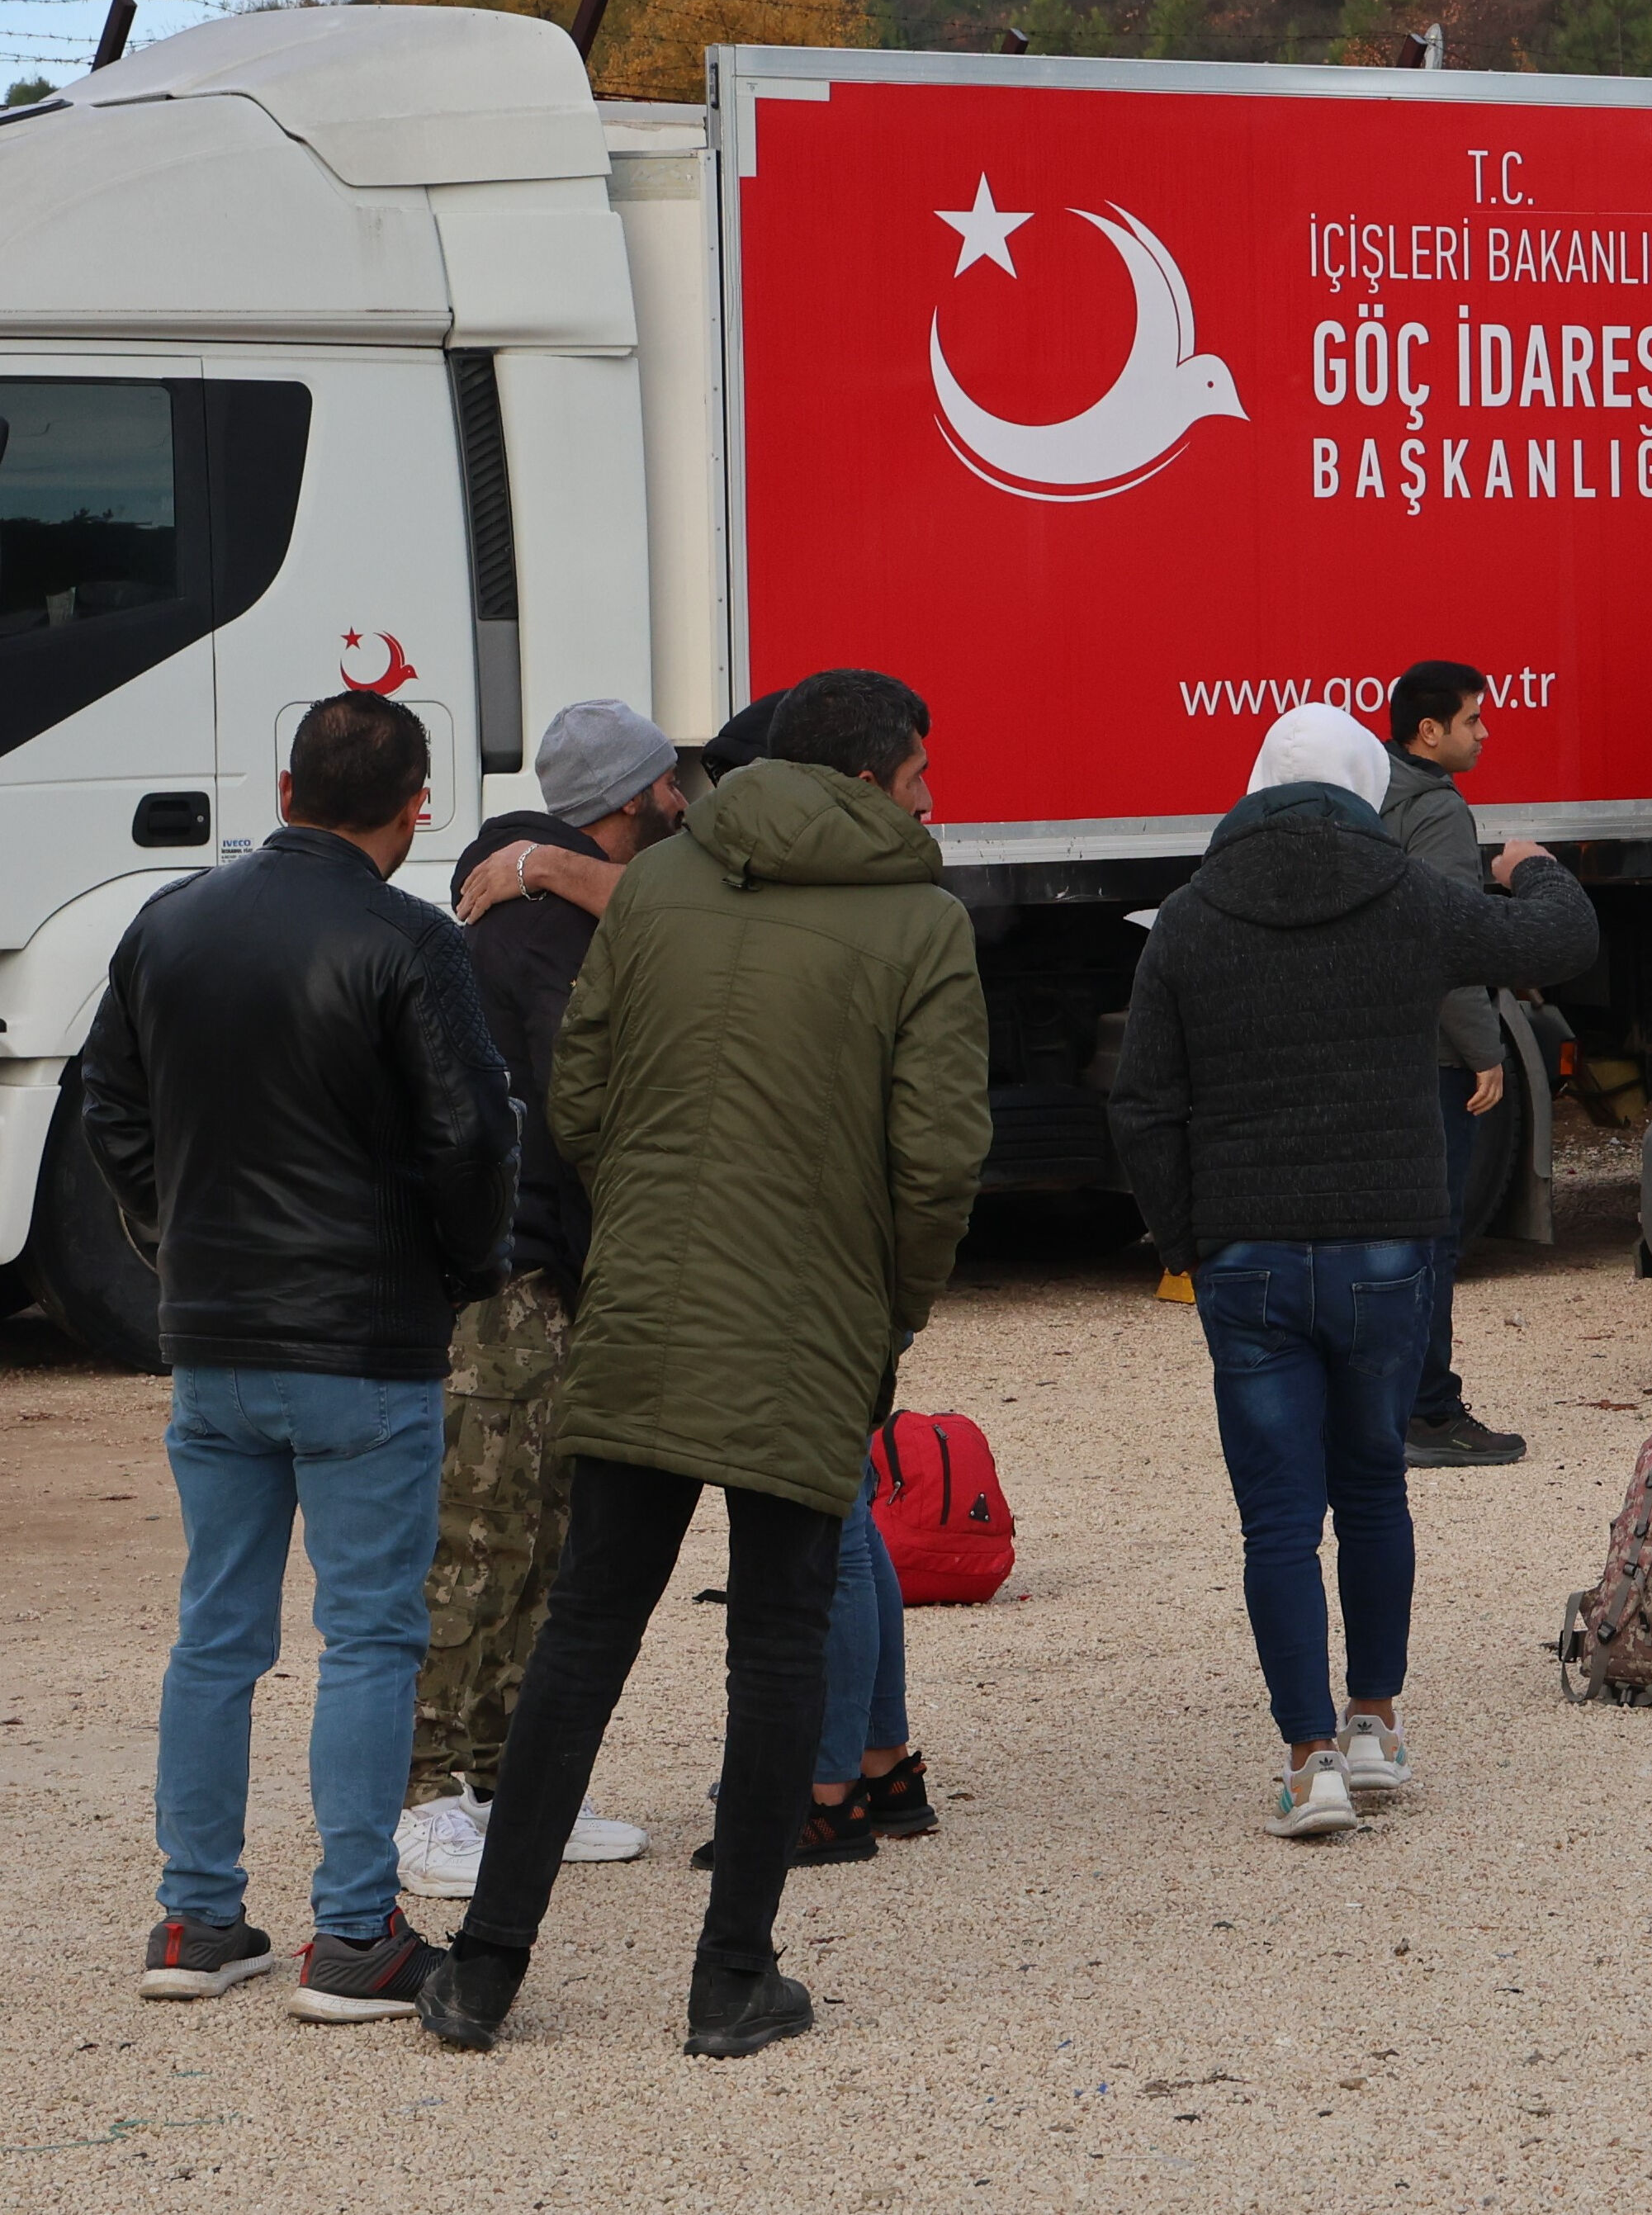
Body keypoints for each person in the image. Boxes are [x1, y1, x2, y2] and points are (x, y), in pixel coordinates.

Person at [419, 670, 990, 2059]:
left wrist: (652, 1226)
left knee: (586, 1633)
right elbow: (938, 1157)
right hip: (812, 1315)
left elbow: (584, 1100)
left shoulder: (662, 887)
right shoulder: (921, 922)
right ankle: (729, 1976)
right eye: (919, 770)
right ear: (872, 773)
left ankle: (484, 1969)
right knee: (778, 1636)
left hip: (647, 1295)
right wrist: (889, 1307)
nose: (928, 795)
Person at [96, 691, 518, 2022]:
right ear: (417, 805)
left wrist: (179, 1242)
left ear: (284, 788)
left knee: (216, 1631)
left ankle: (196, 1915)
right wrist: (460, 1269)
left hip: (214, 1331)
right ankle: (355, 1935)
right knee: (372, 1632)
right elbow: (468, 1133)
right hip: (363, 1335)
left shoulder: (168, 922)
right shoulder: (411, 936)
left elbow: (113, 1106)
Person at [1110, 702, 1597, 1839]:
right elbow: (1551, 946)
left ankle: (1308, 1759)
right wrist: (1538, 868)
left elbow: (1144, 1104)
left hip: (1250, 1250)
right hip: (1387, 1242)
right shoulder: (1411, 896)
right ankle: (1376, 1720)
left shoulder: (1189, 916)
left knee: (1278, 1518)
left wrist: (1189, 1239)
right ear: (1365, 789)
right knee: (1375, 1482)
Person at [392, 700, 689, 1901]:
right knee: (480, 1536)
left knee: (544, 1536)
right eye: (670, 786)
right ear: (633, 798)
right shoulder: (531, 936)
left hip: (553, 1277)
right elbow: (581, 1117)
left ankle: (512, 1784)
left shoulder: (556, 901)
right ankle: (424, 1794)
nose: (685, 803)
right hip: (506, 1283)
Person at [1375, 659, 1527, 1473]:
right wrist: (1483, 1047)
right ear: (1428, 731)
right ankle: (1430, 1411)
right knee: (1432, 1239)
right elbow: (1446, 933)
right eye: (1474, 719)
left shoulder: (1372, 790)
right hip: (1431, 1055)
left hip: (1376, 1043)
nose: (1484, 732)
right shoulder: (1435, 809)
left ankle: (1381, 1404)